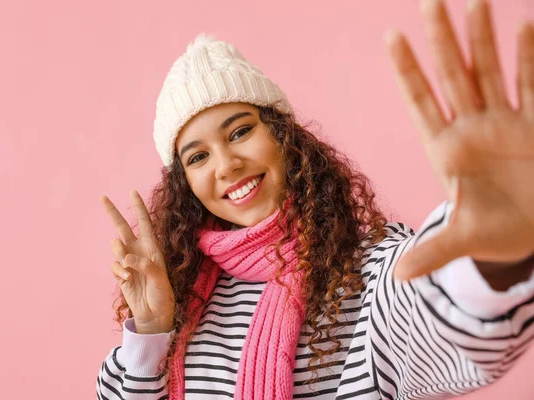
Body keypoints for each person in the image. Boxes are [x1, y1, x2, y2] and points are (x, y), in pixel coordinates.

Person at [96, 0, 534, 398]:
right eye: (198, 157)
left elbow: (435, 323)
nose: (226, 165)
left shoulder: (370, 267)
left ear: (284, 137)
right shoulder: (182, 298)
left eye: (241, 131)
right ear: (185, 184)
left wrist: (494, 258)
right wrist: (152, 332)